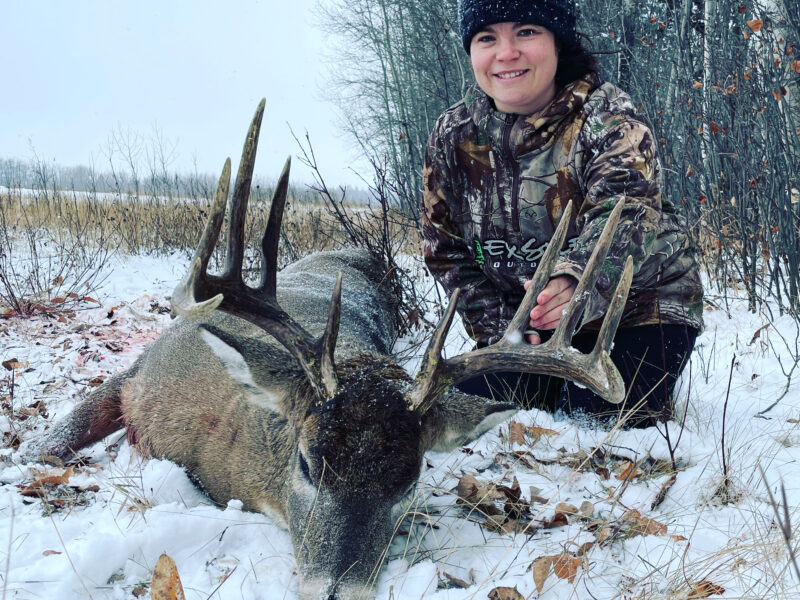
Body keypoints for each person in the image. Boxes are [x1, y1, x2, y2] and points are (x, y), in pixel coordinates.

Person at [421, 0, 704, 426]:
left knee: (597, 419)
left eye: (527, 32)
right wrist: (507, 333)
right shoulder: (455, 136)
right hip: (529, 328)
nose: (506, 53)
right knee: (459, 414)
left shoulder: (607, 119)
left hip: (638, 311)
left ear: (558, 41)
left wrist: (577, 279)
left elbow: (625, 212)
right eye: (486, 38)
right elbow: (446, 251)